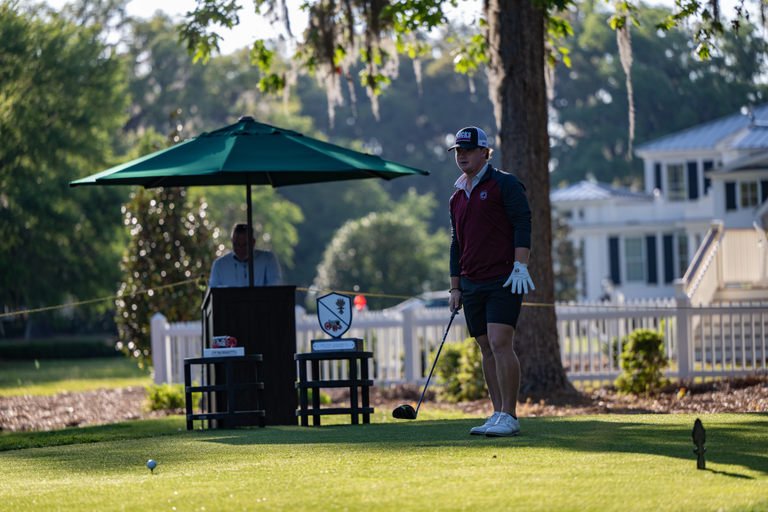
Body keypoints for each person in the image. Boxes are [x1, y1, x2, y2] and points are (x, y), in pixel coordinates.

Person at [447, 126, 534, 437]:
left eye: (468, 150)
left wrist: (520, 266)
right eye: (458, 151)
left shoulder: (505, 184)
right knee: (485, 346)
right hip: (471, 282)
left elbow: (523, 223)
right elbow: (457, 243)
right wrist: (455, 287)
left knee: (499, 343)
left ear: (485, 152)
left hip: (503, 278)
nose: (462, 155)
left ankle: (510, 415)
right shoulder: (457, 196)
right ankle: (497, 413)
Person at [209, 223, 282, 287]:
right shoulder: (219, 265)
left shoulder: (268, 259)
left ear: (253, 242)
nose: (240, 249)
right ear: (232, 241)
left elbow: (274, 288)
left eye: (245, 245)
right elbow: (212, 295)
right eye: (237, 244)